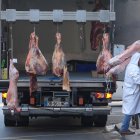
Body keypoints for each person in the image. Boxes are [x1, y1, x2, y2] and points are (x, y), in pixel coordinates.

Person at [120, 52, 140, 135]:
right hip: (132, 94)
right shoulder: (133, 68)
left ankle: (124, 128)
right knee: (129, 111)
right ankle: (124, 129)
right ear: (137, 59)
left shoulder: (132, 66)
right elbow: (137, 79)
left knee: (138, 110)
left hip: (133, 93)